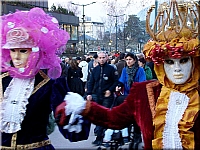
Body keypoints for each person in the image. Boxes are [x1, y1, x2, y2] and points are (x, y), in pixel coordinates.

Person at [55, 0, 200, 149]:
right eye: (170, 62)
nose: (177, 69)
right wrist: (84, 107)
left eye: (183, 61)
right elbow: (114, 118)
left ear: (194, 62)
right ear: (161, 64)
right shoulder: (145, 93)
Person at [0, 8, 91, 149]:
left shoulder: (49, 82)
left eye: (23, 50)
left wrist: (77, 109)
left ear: (36, 51)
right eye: (13, 50)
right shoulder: (2, 80)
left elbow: (74, 133)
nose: (16, 57)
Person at [86, 51, 119, 146]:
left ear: (107, 58)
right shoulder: (95, 70)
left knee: (104, 115)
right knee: (98, 116)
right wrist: (89, 93)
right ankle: (99, 136)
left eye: (103, 57)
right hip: (96, 95)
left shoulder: (111, 69)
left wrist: (110, 90)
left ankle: (104, 137)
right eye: (100, 58)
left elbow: (116, 81)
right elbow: (91, 81)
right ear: (97, 58)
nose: (101, 59)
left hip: (107, 96)